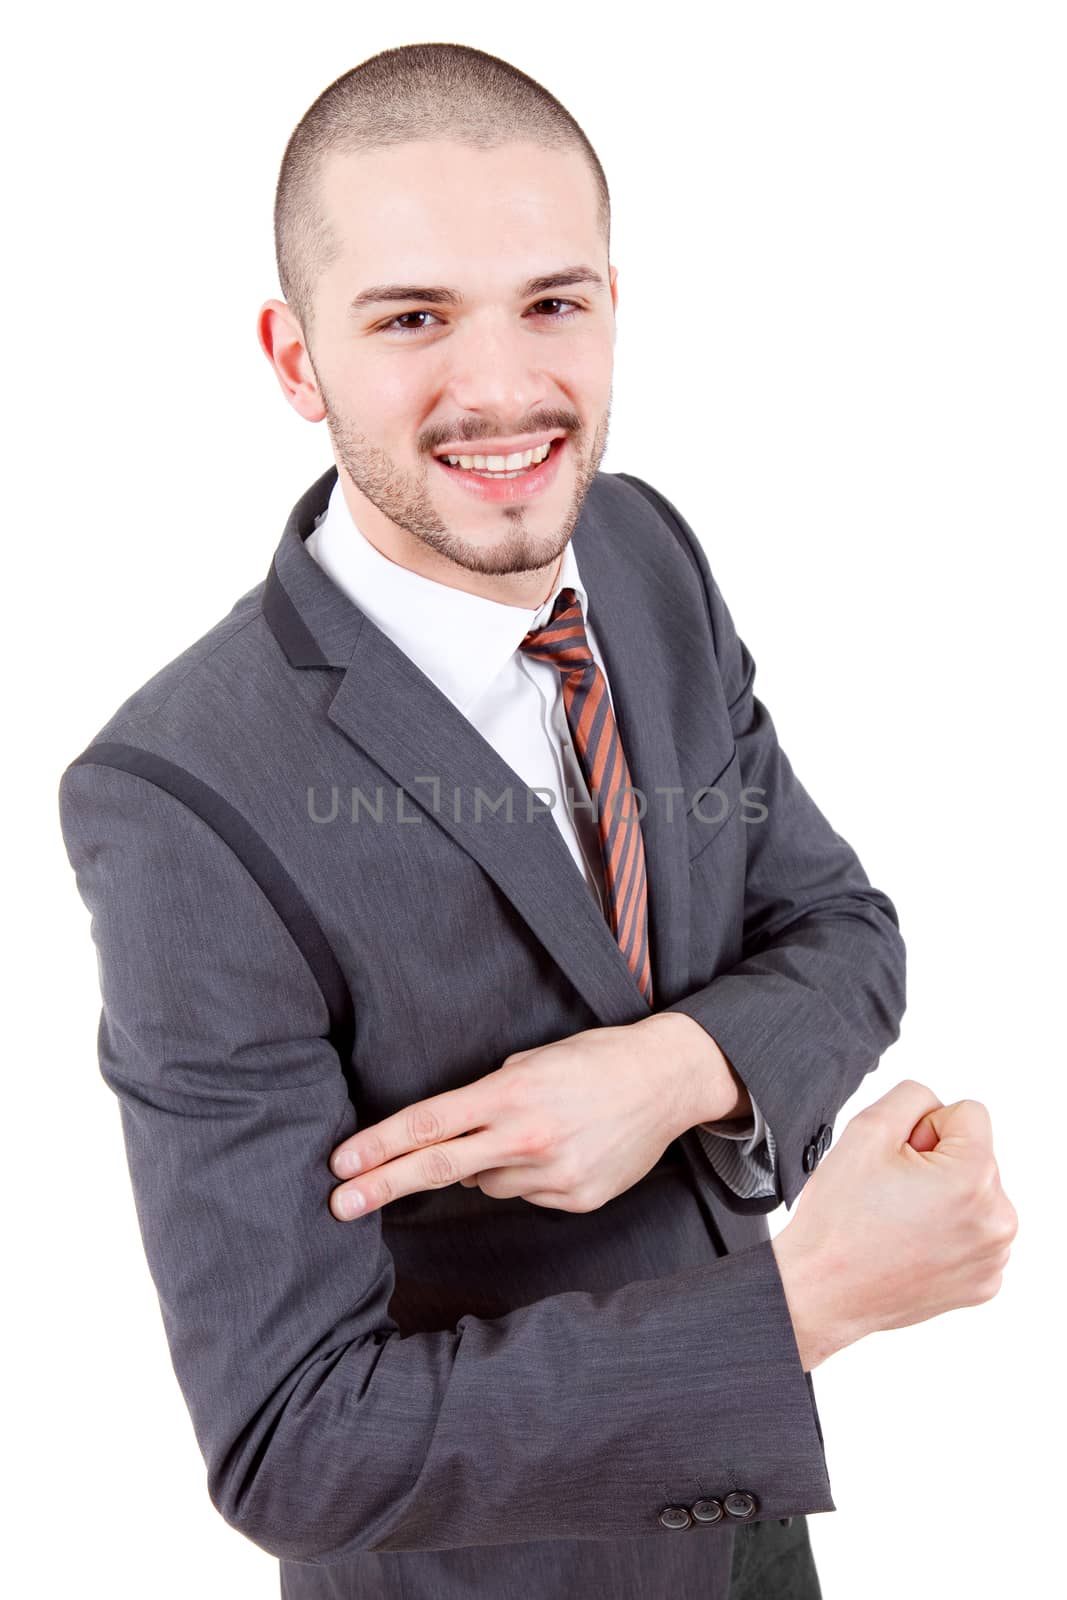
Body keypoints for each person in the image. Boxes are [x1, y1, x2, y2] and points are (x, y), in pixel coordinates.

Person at [57, 42, 1016, 1600]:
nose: (503, 389)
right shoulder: (177, 797)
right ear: (296, 362)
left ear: (615, 307)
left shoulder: (640, 553)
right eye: (414, 318)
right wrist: (812, 1302)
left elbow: (844, 934)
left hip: (752, 1533)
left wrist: (674, 1069)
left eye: (552, 302)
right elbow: (290, 1447)